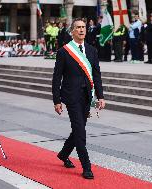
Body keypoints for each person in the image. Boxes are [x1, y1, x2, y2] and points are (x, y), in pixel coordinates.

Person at [52, 18, 105, 180]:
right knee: (80, 131)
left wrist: (100, 96)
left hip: (87, 96)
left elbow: (96, 74)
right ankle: (87, 166)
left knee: (78, 129)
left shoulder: (92, 50)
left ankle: (63, 154)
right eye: (78, 27)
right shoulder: (64, 51)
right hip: (71, 96)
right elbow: (56, 78)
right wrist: (57, 100)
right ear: (72, 31)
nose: (81, 30)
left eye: (83, 27)